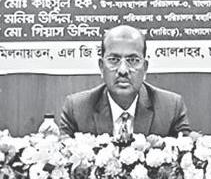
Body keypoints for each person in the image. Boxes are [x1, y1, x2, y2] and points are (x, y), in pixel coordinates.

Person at [58, 25, 191, 138]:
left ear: (145, 68)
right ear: (101, 67)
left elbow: (187, 154)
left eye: (132, 60)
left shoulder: (171, 108)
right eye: (114, 60)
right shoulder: (76, 109)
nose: (123, 70)